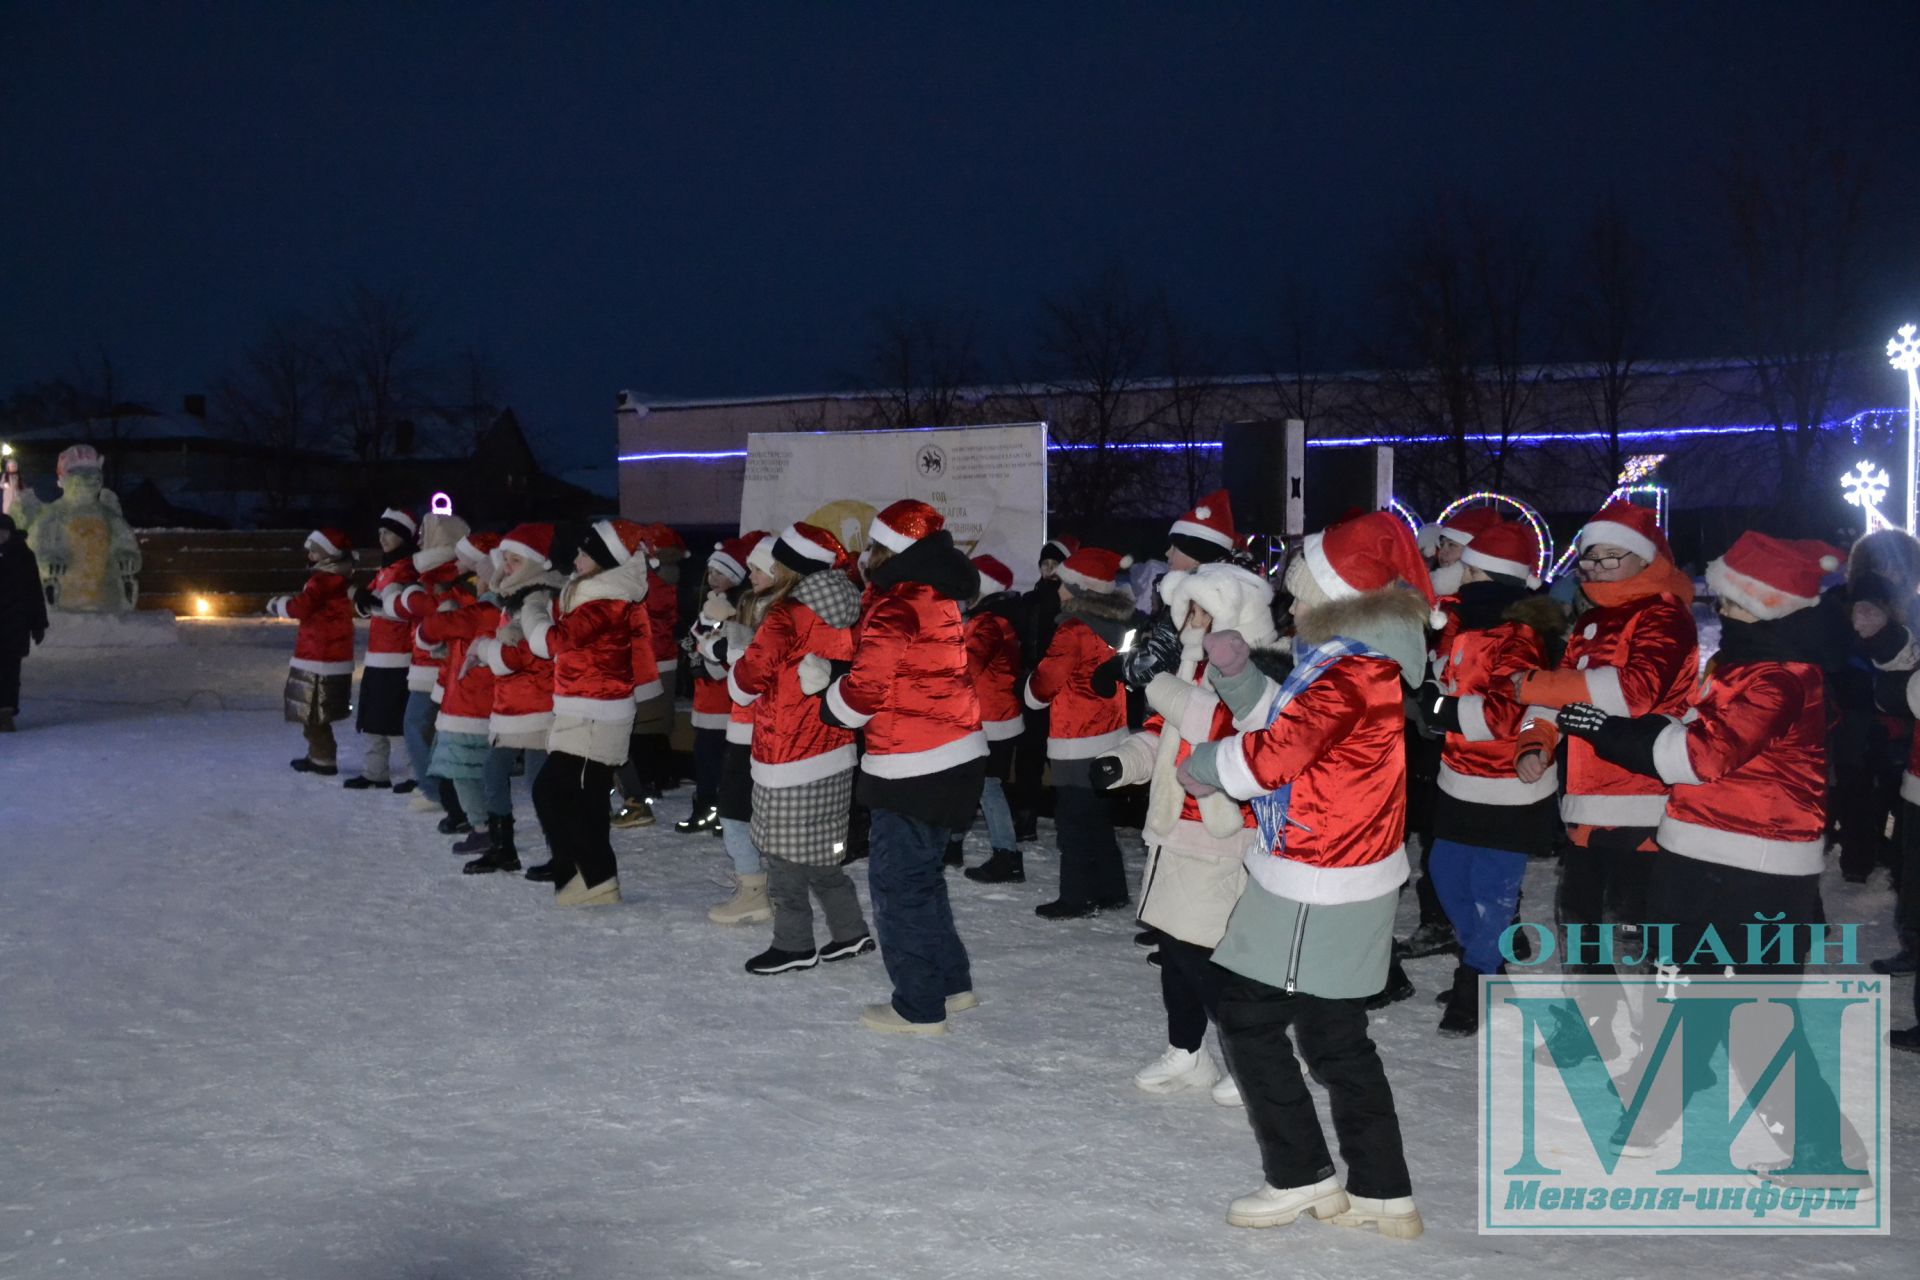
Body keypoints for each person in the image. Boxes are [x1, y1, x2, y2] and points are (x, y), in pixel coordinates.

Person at [1557, 533, 1873, 1173]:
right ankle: (1657, 1106)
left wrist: (1612, 732)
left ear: (1764, 603)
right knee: (1678, 993)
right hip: (1700, 855)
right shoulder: (1745, 661)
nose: (1719, 606)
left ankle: (1826, 1156)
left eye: (1730, 598)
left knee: (1756, 1019)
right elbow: (1694, 733)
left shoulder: (1779, 677)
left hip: (1753, 871)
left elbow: (1697, 757)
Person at [1176, 510, 1430, 1239]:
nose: (1288, 605)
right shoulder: (1352, 662)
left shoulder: (1349, 671)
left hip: (1319, 874)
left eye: (1298, 591)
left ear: (1339, 595)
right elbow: (1293, 730)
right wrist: (1238, 676)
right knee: (1334, 1032)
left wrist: (1203, 769)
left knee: (1250, 1017)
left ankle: (1301, 1177)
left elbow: (1271, 759)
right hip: (1338, 868)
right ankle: (1382, 1192)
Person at [1509, 500, 1698, 1062]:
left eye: (1605, 559)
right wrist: (1533, 741)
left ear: (1640, 559)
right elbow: (1557, 694)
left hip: (1645, 799)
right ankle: (1591, 1029)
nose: (1591, 571)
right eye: (1586, 561)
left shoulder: (1664, 615)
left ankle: (1669, 1039)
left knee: (1646, 931)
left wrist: (1538, 687)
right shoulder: (1589, 622)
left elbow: (1633, 693)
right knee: (1580, 921)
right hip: (1588, 803)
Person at [1095, 561, 1278, 1105]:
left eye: (1204, 610)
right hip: (1175, 829)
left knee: (1203, 954)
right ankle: (1187, 1051)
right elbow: (1162, 735)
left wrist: (1155, 681)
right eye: (1188, 610)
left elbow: (1212, 724)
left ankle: (1252, 1055)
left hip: (1223, 835)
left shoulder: (1257, 674)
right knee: (1176, 952)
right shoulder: (1192, 670)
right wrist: (1121, 763)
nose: (1192, 622)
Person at [822, 500, 987, 1034]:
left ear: (890, 549)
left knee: (898, 887)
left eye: (872, 546)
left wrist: (830, 701)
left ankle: (918, 1007)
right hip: (953, 754)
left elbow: (866, 688)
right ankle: (951, 984)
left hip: (913, 762)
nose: (866, 556)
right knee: (925, 881)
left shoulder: (898, 605)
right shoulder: (933, 595)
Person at [1418, 520, 1566, 1036]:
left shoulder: (1519, 636)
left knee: (1494, 891)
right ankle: (1486, 962)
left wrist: (1438, 707)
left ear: (1493, 578)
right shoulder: (1465, 625)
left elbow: (1509, 709)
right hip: (1458, 777)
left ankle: (1474, 977)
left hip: (1509, 783)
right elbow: (1446, 681)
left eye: (1472, 569)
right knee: (1446, 874)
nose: (1461, 575)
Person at [726, 523, 873, 973]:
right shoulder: (847, 606)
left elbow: (750, 678)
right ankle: (850, 931)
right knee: (820, 852)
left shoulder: (788, 614)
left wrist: (733, 655)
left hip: (788, 749)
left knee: (784, 856)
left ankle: (794, 945)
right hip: (833, 747)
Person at [520, 518, 651, 907]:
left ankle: (585, 874)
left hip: (594, 713)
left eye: (583, 553)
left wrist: (532, 612)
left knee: (553, 792)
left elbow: (551, 643)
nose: (575, 559)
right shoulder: (596, 597)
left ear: (604, 561)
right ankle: (594, 879)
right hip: (588, 709)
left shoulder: (604, 603)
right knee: (585, 798)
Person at [1023, 545, 1134, 918]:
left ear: (1081, 590)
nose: (1058, 589)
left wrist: (1030, 691)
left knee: (1072, 823)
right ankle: (1111, 888)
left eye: (1065, 584)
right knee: (1098, 819)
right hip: (1110, 733)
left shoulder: (1072, 631)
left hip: (1077, 736)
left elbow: (1046, 681)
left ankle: (1077, 896)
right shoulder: (1114, 628)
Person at [459, 523, 567, 875]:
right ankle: (504, 848)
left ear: (535, 562)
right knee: (502, 774)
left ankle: (558, 853)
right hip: (514, 704)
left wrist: (488, 649)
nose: (506, 566)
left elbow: (524, 655)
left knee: (536, 784)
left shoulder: (538, 599)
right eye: (505, 559)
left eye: (515, 559)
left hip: (535, 703)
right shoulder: (517, 596)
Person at [418, 531, 505, 856]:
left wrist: (431, 631)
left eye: (476, 577)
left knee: (465, 774)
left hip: (469, 708)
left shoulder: (482, 612)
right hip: (479, 706)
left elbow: (434, 627)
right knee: (479, 772)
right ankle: (489, 824)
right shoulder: (494, 612)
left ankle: (482, 827)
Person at [384, 509, 474, 824]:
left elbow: (437, 609)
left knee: (416, 726)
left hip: (435, 665)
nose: (419, 540)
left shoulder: (443, 572)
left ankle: (434, 789)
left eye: (425, 534)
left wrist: (404, 599)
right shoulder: (433, 571)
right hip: (430, 663)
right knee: (427, 728)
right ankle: (440, 788)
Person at [680, 534, 762, 835]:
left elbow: (730, 656)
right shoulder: (709, 605)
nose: (713, 578)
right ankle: (705, 806)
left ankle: (723, 811)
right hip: (706, 699)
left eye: (721, 573)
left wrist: (707, 650)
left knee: (723, 761)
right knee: (706, 757)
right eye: (711, 572)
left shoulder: (738, 609)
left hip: (726, 700)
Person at [960, 555, 1029, 883]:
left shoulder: (989, 623)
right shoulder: (991, 618)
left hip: (990, 718)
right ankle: (953, 844)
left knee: (987, 787)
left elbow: (967, 667)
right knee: (971, 783)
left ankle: (1007, 855)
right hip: (994, 715)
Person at [268, 528, 357, 777]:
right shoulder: (336, 580)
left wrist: (279, 605)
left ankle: (323, 758)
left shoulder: (322, 581)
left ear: (328, 555)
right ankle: (317, 754)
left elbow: (302, 607)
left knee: (313, 712)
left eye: (315, 550)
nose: (310, 554)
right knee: (315, 711)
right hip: (327, 653)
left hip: (319, 654)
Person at [613, 523, 685, 826]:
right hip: (659, 657)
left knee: (641, 726)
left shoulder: (650, 586)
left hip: (649, 660)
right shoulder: (663, 581)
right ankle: (655, 780)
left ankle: (643, 787)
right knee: (652, 724)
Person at [345, 508, 419, 790]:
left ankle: (415, 774)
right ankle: (375, 772)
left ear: (402, 535)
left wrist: (364, 599)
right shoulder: (387, 568)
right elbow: (371, 606)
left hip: (399, 657)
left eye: (388, 532)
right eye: (380, 532)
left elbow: (396, 609)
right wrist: (365, 601)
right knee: (373, 717)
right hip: (379, 655)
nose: (382, 537)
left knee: (397, 719)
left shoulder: (407, 569)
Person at [1011, 535, 1076, 841]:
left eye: (1054, 564)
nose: (1048, 570)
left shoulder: (1069, 601)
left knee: (1060, 758)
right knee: (1029, 756)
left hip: (1060, 691)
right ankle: (1025, 821)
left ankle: (1069, 820)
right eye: (1044, 564)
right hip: (1031, 686)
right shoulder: (1029, 600)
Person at [0, 511, 49, 732]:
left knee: (10, 671)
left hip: (14, 625)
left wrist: (38, 623)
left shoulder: (23, 556)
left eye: (3, 533)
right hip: (12, 623)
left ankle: (6, 713)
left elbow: (33, 592)